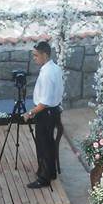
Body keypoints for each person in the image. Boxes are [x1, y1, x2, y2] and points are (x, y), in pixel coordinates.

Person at [23, 41, 63, 189]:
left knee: (43, 145)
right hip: (53, 111)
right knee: (49, 143)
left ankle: (44, 178)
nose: (34, 58)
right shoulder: (55, 68)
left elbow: (44, 102)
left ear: (44, 55)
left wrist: (30, 113)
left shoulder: (47, 73)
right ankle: (50, 172)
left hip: (45, 113)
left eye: (36, 55)